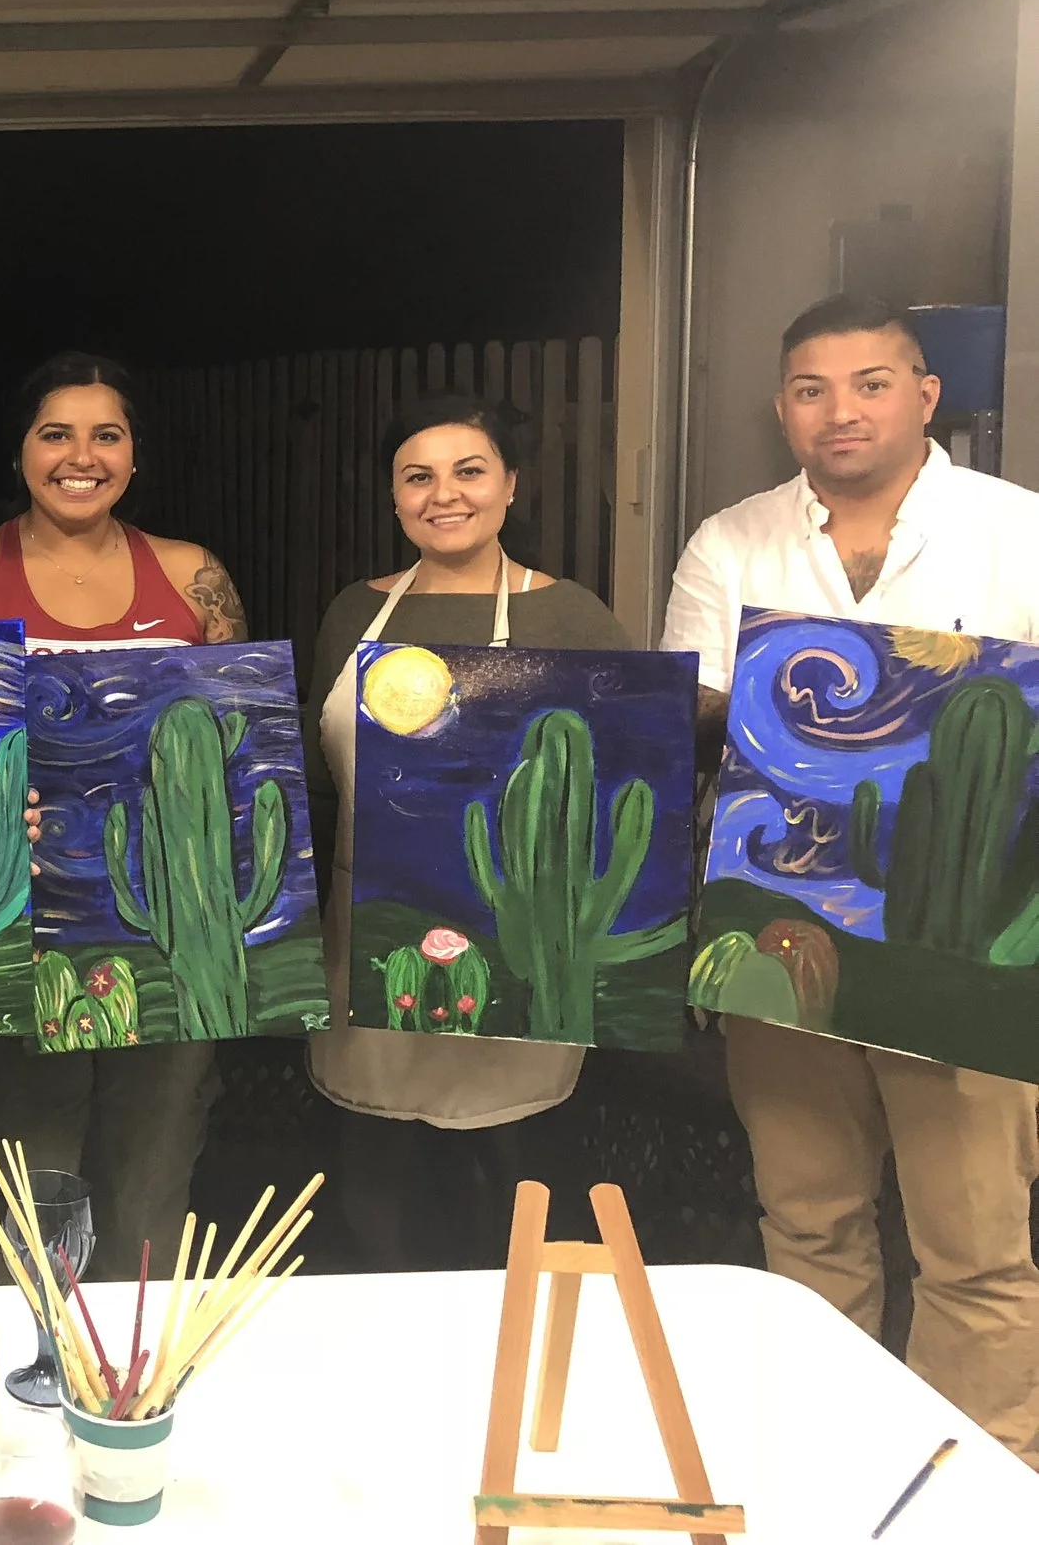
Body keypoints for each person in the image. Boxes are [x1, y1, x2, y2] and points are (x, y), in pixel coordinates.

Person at [661, 293, 1039, 1462]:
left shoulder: (1016, 529)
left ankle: (980, 1483)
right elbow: (689, 708)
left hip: (963, 944)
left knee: (974, 1245)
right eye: (813, 389)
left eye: (872, 383)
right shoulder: (732, 541)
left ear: (925, 395)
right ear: (782, 410)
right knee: (809, 1218)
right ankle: (822, 1463)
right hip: (782, 930)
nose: (842, 411)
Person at [0, 352, 244, 1283]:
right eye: (56, 432)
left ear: (134, 456)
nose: (80, 455)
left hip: (168, 925)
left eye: (107, 434)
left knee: (151, 1183)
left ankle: (133, 1399)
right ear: (21, 451)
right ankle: (12, 1390)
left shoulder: (193, 576)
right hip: (13, 926)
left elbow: (240, 755)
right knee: (24, 1186)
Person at [302, 392, 628, 1269]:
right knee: (376, 1182)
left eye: (469, 470)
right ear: (396, 498)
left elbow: (626, 785)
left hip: (521, 946)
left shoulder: (573, 617)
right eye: (419, 476)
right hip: (372, 948)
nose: (444, 493)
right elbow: (315, 784)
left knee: (516, 1186)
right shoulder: (351, 613)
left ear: (510, 486)